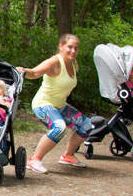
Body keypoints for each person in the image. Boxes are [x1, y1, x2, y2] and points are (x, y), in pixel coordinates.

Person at [17, 33, 92, 173]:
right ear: (61, 46)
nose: (73, 51)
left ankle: (68, 155)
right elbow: (34, 73)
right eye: (70, 47)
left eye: (76, 48)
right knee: (59, 127)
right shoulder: (55, 61)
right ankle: (34, 160)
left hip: (59, 106)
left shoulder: (73, 63)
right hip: (43, 103)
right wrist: (23, 71)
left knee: (86, 125)